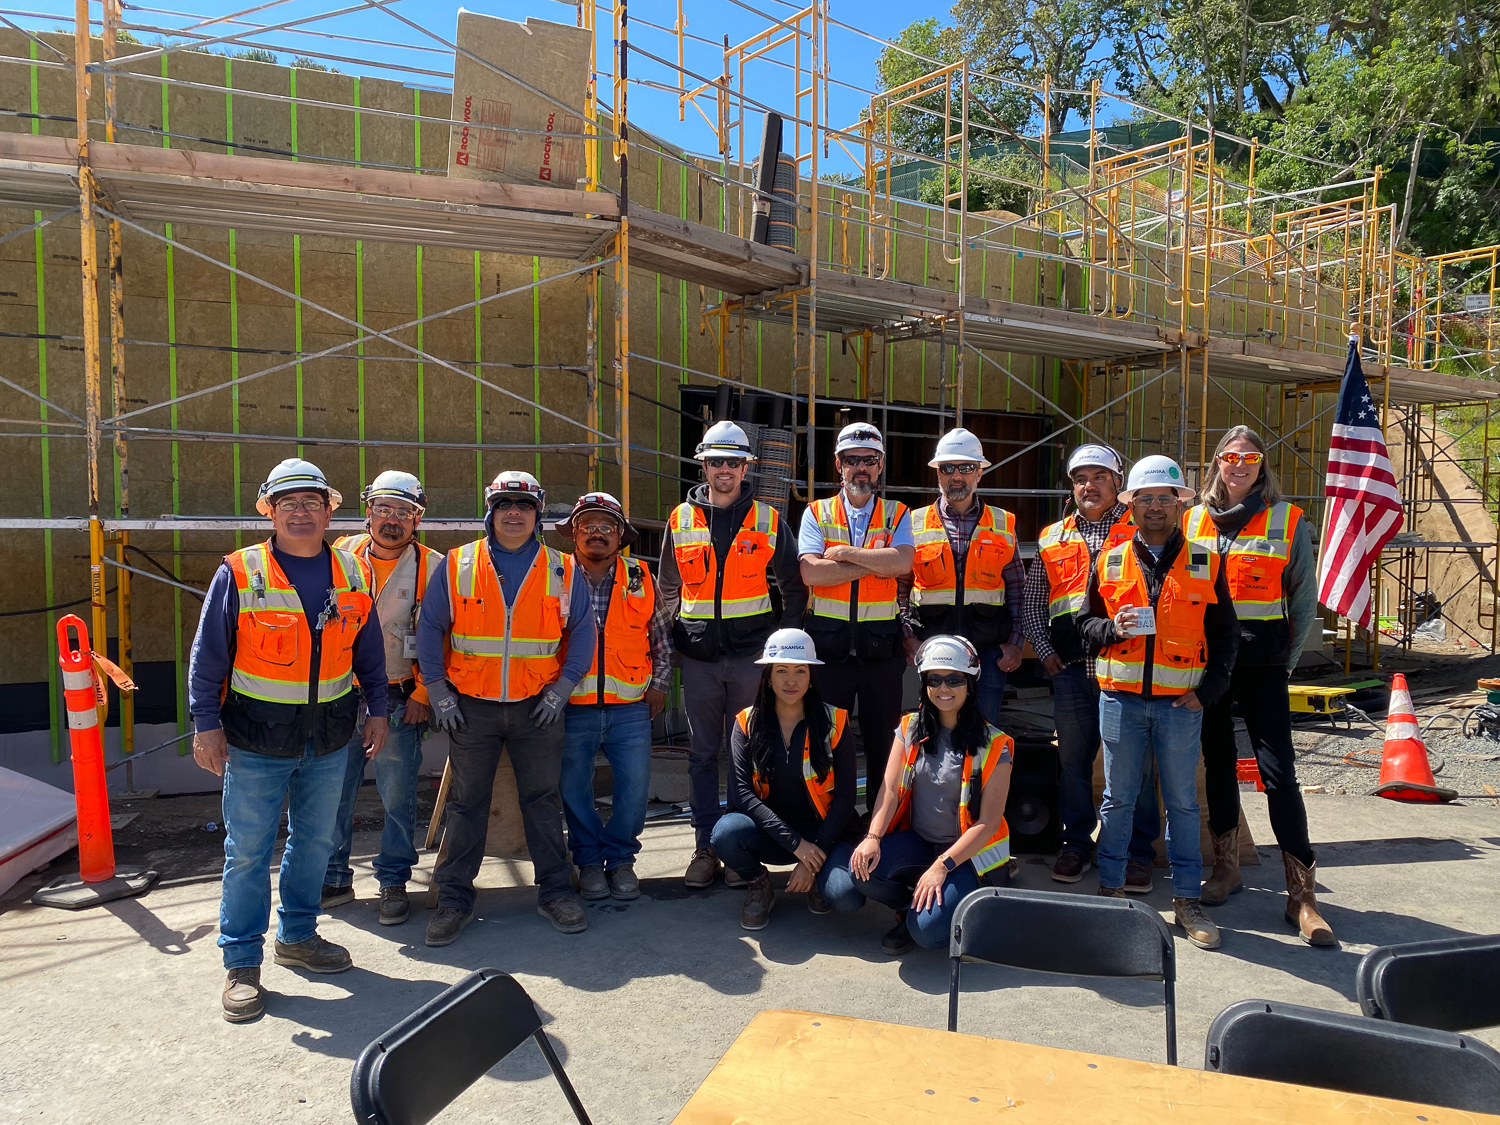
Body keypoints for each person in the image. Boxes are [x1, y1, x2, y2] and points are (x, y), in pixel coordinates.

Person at [187, 458, 388, 1023]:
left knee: (315, 843)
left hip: (328, 738)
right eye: (288, 503)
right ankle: (242, 964)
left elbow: (368, 652)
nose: (301, 513)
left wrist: (377, 710)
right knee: (247, 852)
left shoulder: (352, 573)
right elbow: (208, 659)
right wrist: (205, 724)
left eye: (311, 503)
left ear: (330, 510)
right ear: (269, 511)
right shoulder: (240, 571)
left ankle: (297, 937)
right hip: (254, 738)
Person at [416, 470, 596, 944]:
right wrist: (437, 689)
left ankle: (556, 892)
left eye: (524, 505)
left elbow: (582, 633)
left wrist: (563, 689)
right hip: (471, 708)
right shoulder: (458, 564)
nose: (513, 513)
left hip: (539, 707)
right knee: (466, 804)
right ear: (490, 513)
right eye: (504, 505)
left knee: (542, 801)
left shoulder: (563, 568)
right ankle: (455, 899)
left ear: (537, 515)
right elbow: (431, 628)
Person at [1077, 456, 1238, 950]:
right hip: (1121, 701)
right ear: (1132, 505)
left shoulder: (1206, 562)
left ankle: (1187, 900)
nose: (1154, 507)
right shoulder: (1108, 559)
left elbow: (1227, 636)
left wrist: (1207, 692)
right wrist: (1111, 629)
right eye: (1145, 498)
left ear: (1179, 505)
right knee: (1118, 800)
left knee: (1184, 806)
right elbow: (1084, 628)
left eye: (1164, 499)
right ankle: (1110, 892)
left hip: (1179, 708)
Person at [1186, 426, 1333, 946]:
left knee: (1278, 774)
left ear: (1261, 465)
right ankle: (1226, 868)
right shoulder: (1194, 520)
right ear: (1217, 464)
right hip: (1209, 665)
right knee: (1219, 765)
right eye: (1230, 456)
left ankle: (1302, 896)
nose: (1240, 464)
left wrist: (1287, 663)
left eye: (1250, 457)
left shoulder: (1287, 520)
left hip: (1263, 665)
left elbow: (1304, 600)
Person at [658, 420, 807, 888]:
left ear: (747, 468)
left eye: (733, 462)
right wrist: (665, 653)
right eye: (716, 461)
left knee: (748, 754)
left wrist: (782, 647)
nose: (724, 469)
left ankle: (740, 848)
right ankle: (706, 848)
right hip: (699, 659)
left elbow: (793, 587)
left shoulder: (767, 519)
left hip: (749, 659)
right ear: (703, 464)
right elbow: (666, 589)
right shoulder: (680, 519)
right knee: (702, 754)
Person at [1022, 444, 1161, 890]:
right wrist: (1043, 651)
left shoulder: (1140, 529)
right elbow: (1031, 605)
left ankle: (1138, 853)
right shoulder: (1052, 536)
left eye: (1099, 476)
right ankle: (1076, 844)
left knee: (1134, 767)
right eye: (1081, 478)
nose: (1089, 485)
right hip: (1070, 673)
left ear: (1118, 483)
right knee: (1073, 765)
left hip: (1125, 671)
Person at [841, 635, 1013, 956]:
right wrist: (873, 836)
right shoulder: (909, 729)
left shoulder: (995, 744)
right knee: (861, 869)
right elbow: (890, 790)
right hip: (920, 843)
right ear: (924, 684)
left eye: (954, 679)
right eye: (935, 679)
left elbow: (988, 823)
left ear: (970, 683)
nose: (944, 688)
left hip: (966, 857)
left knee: (928, 933)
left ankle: (963, 901)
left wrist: (942, 866)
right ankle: (909, 907)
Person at [322, 470, 443, 926]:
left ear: (418, 519)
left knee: (398, 795)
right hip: (340, 692)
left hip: (399, 694)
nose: (392, 520)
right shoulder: (339, 555)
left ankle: (393, 879)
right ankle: (334, 875)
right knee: (334, 790)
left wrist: (425, 693)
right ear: (367, 510)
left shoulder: (434, 567)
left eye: (404, 513)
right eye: (384, 509)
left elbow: (444, 636)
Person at [557, 492, 672, 902]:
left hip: (629, 708)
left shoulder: (641, 575)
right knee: (573, 788)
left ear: (621, 535)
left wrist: (659, 685)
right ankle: (588, 862)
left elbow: (660, 638)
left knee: (634, 789)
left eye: (607, 527)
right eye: (587, 526)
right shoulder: (554, 574)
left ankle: (621, 860)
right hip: (571, 707)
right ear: (574, 532)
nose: (597, 534)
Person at [710, 629, 862, 929]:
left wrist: (812, 855)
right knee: (725, 834)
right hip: (771, 832)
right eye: (781, 670)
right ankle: (759, 883)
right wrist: (797, 847)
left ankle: (820, 877)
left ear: (811, 676)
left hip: (825, 832)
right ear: (767, 676)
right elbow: (742, 795)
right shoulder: (746, 723)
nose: (791, 680)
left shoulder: (836, 722)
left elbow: (846, 797)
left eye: (800, 671)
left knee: (846, 896)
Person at [799, 422, 914, 811]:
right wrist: (876, 562)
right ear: (838, 464)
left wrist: (846, 553)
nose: (860, 468)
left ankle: (880, 822)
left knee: (884, 740)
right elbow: (812, 573)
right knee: (829, 739)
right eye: (852, 460)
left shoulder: (898, 513)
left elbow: (902, 563)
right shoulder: (816, 512)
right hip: (829, 650)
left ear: (880, 465)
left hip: (880, 650)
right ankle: (835, 816)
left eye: (868, 460)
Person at [905, 427, 1023, 727]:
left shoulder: (1002, 523)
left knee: (984, 735)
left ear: (979, 473)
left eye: (966, 468)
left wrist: (1015, 643)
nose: (956, 476)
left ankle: (980, 777)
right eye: (947, 468)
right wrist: (908, 638)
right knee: (933, 734)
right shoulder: (913, 523)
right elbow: (898, 589)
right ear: (938, 474)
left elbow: (1018, 589)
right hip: (933, 650)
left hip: (989, 651)